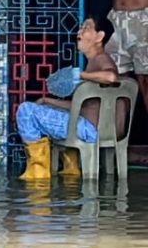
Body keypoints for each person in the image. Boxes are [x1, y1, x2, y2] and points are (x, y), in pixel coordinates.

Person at [16, 16, 128, 180]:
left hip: (90, 130)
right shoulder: (95, 62)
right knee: (46, 109)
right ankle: (71, 166)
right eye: (81, 27)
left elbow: (111, 77)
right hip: (100, 129)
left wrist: (81, 75)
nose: (79, 31)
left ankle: (38, 169)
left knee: (25, 110)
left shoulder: (102, 60)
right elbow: (80, 107)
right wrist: (48, 101)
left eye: (86, 28)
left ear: (99, 36)